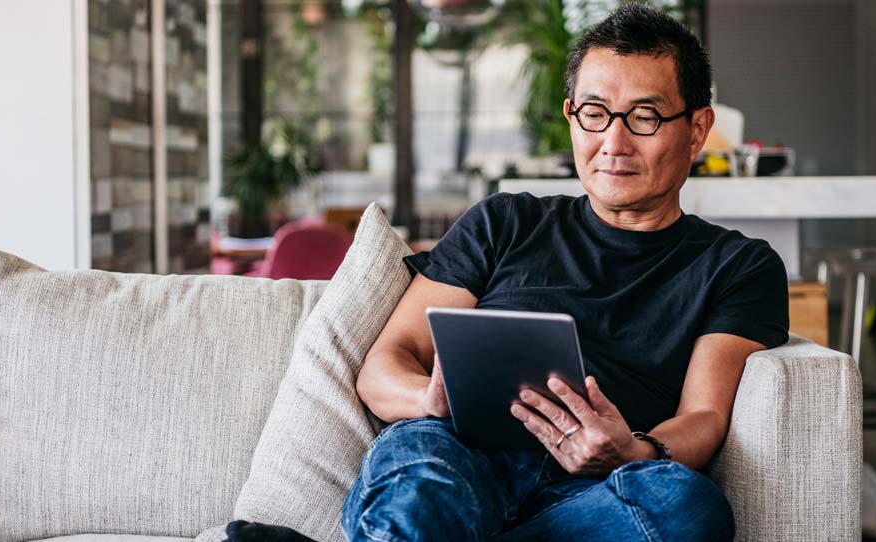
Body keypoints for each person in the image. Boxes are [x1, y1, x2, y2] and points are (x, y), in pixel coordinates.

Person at [334, 5, 790, 542]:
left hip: (594, 487)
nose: (614, 144)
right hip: (459, 454)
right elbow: (386, 363)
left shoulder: (738, 264)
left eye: (644, 117)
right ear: (572, 116)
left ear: (696, 129)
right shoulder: (504, 221)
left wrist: (635, 451)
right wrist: (427, 402)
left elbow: (704, 416)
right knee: (424, 483)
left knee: (686, 507)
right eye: (595, 113)